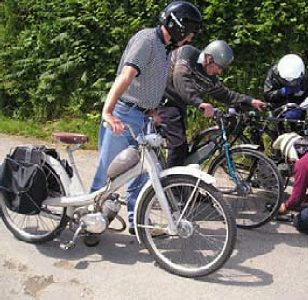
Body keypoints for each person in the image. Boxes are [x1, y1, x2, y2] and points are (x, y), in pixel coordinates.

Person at [90, 1, 202, 234]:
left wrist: (150, 110)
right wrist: (108, 111)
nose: (190, 39)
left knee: (139, 174)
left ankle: (137, 223)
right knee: (108, 173)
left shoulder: (164, 48)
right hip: (124, 114)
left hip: (140, 117)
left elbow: (146, 81)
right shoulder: (147, 40)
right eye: (189, 33)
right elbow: (127, 74)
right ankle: (91, 221)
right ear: (179, 26)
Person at [158, 40, 266, 168]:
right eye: (219, 67)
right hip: (161, 100)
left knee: (182, 149)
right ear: (209, 58)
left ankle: (179, 181)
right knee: (178, 145)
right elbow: (180, 79)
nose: (219, 72)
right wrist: (199, 103)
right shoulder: (188, 53)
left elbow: (226, 95)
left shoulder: (210, 78)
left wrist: (251, 101)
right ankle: (170, 184)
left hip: (177, 106)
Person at [263, 54, 308, 120]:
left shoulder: (306, 77)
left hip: (298, 109)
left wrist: (304, 107)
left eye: (293, 81)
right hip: (278, 108)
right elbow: (267, 95)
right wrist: (281, 92)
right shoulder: (273, 74)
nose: (290, 83)